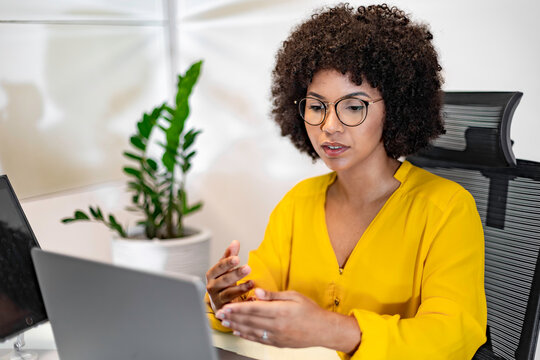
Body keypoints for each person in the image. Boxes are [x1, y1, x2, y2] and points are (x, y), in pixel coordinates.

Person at [205, 4, 487, 359]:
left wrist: (335, 330)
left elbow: (456, 334)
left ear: (396, 108)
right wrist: (227, 300)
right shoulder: (298, 203)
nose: (329, 127)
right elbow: (257, 293)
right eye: (317, 106)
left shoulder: (446, 208)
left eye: (353, 107)